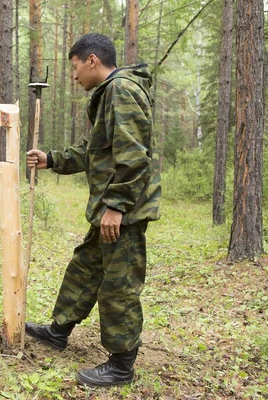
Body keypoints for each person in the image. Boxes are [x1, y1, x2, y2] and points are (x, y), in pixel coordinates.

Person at [25, 33, 161, 387]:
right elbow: (93, 151)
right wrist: (52, 159)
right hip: (109, 207)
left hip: (123, 211)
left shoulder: (122, 91)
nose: (73, 76)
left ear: (92, 61)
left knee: (118, 287)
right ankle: (58, 331)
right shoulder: (109, 95)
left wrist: (116, 207)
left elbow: (134, 156)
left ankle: (121, 364)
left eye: (74, 67)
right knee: (85, 268)